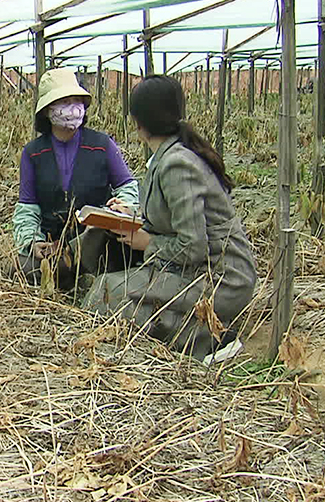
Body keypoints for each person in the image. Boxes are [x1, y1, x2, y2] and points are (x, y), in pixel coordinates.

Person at [83, 74, 257, 362]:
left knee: (105, 296)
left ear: (138, 122)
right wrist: (133, 215)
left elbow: (193, 247)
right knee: (110, 293)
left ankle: (208, 339)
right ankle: (199, 330)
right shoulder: (170, 156)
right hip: (197, 272)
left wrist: (146, 242)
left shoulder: (176, 164)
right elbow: (175, 218)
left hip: (220, 280)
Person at [14, 68, 140, 289]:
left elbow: (127, 186)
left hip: (98, 240)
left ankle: (81, 271)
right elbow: (27, 207)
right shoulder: (32, 153)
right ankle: (69, 273)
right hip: (53, 244)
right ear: (46, 111)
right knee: (20, 268)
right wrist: (32, 242)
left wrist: (122, 207)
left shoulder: (102, 145)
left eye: (76, 100)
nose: (72, 108)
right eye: (63, 101)